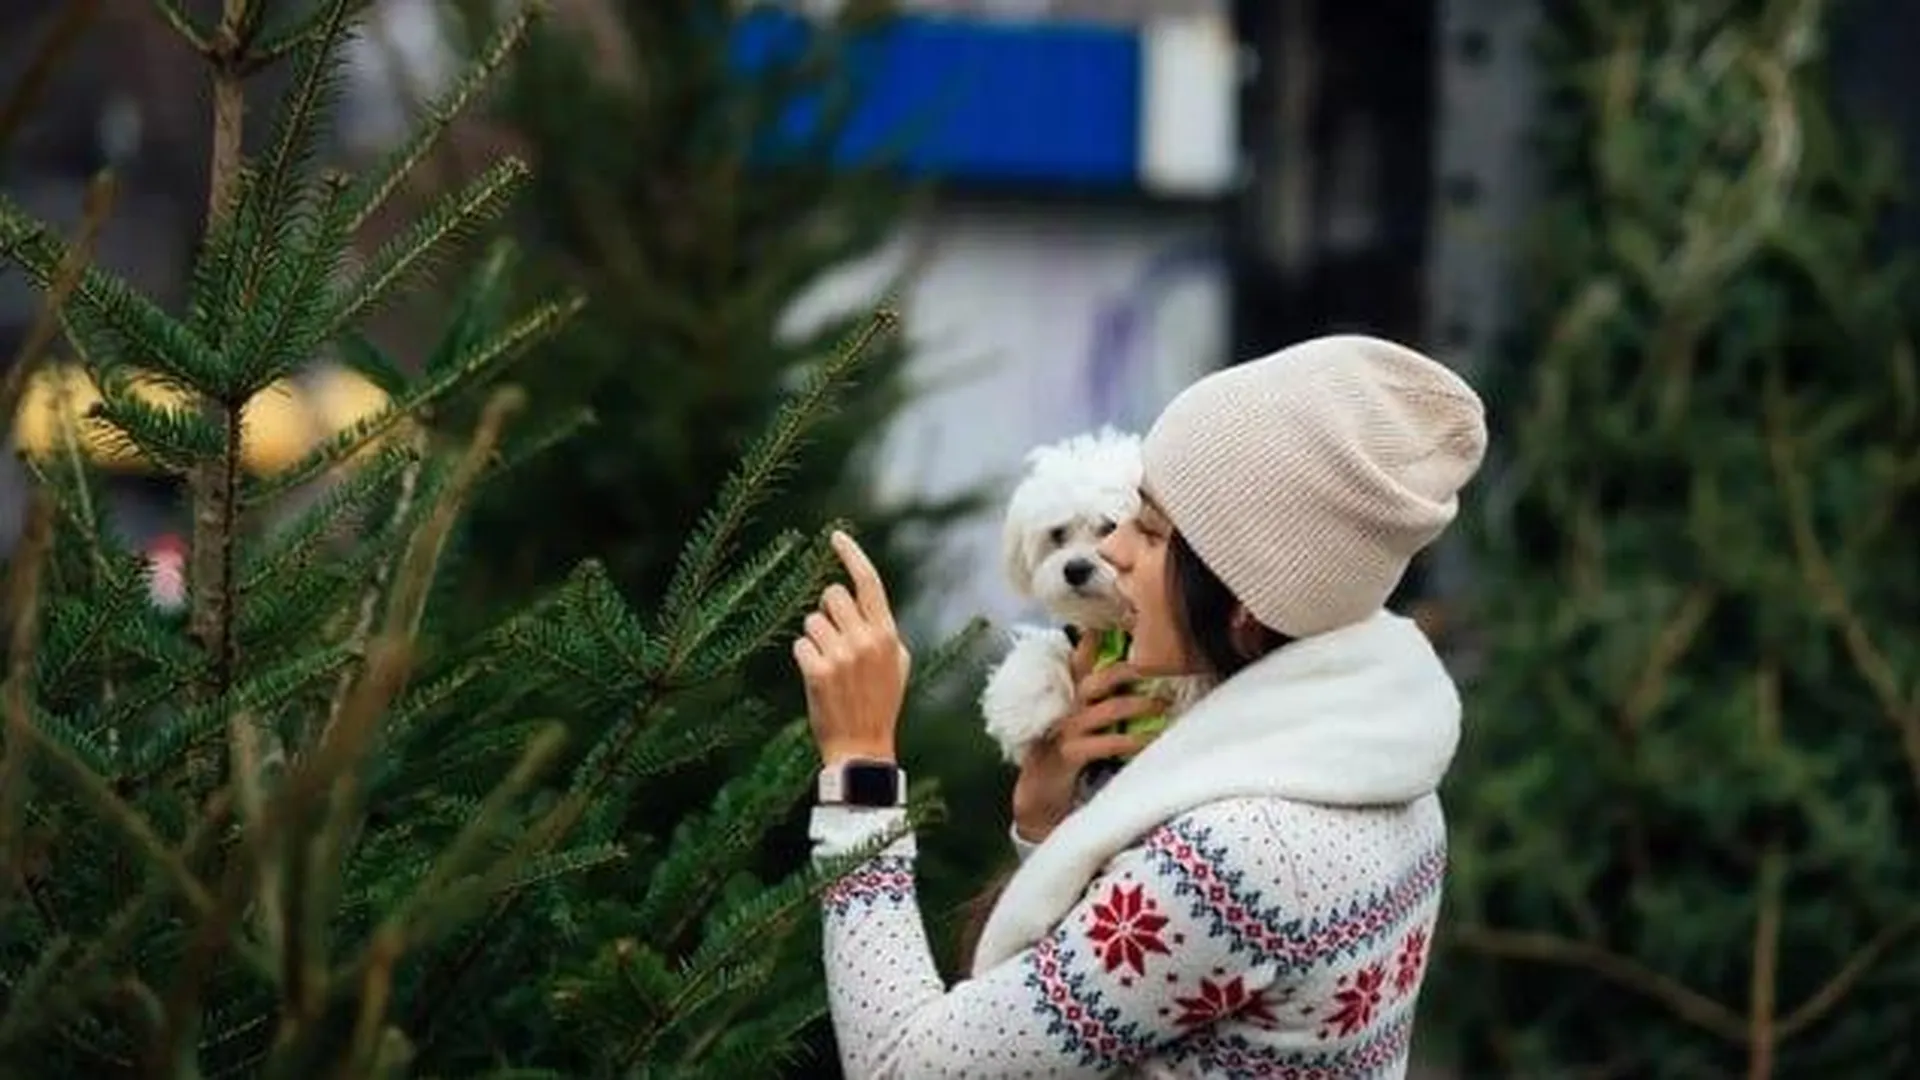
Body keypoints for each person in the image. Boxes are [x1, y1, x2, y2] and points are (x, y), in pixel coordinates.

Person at [793, 334, 1487, 1078]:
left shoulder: (1239, 859)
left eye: (1152, 531)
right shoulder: (1377, 763)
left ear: (1244, 605)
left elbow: (905, 1067)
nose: (1115, 550)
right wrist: (1051, 829)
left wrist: (860, 766)